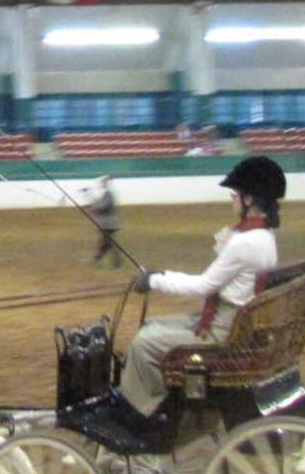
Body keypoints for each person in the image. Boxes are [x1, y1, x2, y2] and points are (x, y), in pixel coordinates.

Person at [105, 156, 286, 429]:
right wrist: (161, 275)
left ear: (249, 200)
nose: (232, 199)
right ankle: (159, 402)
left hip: (223, 330)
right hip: (233, 321)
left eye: (235, 194)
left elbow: (203, 286)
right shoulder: (262, 236)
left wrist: (156, 281)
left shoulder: (246, 242)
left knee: (143, 344)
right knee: (153, 325)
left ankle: (143, 416)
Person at [79, 175, 124, 269]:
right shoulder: (106, 194)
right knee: (105, 242)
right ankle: (97, 259)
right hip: (107, 223)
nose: (101, 184)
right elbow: (99, 203)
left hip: (109, 223)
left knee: (109, 243)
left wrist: (92, 206)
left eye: (102, 182)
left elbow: (103, 206)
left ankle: (117, 263)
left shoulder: (108, 194)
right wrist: (90, 205)